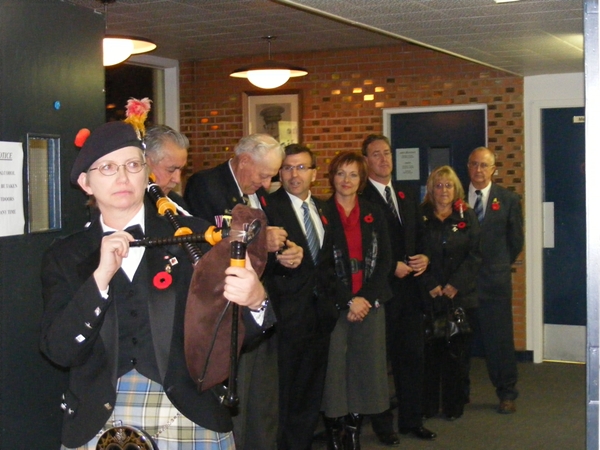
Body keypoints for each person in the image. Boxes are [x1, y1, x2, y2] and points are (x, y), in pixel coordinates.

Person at [39, 121, 272, 450]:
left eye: (133, 164)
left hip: (190, 412)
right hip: (96, 415)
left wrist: (256, 300)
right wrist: (99, 279)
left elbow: (234, 333)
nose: (123, 177)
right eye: (107, 167)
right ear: (85, 182)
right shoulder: (66, 255)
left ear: (146, 171)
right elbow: (59, 351)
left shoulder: (192, 236)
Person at [183, 133, 302, 450]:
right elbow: (207, 246)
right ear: (245, 160)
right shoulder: (205, 186)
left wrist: (285, 254)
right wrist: (264, 240)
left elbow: (261, 253)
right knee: (237, 401)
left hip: (259, 308)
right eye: (264, 175)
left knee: (261, 401)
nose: (266, 184)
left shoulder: (257, 194)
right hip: (225, 313)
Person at [262, 144, 340, 450]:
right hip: (286, 316)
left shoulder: (324, 209)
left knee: (311, 391)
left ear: (314, 173)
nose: (294, 175)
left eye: (301, 168)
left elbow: (329, 261)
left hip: (320, 316)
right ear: (280, 172)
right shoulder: (268, 206)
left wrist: (332, 301)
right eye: (288, 168)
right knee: (284, 392)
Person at [361, 134, 436, 445]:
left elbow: (420, 235)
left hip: (411, 292)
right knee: (380, 362)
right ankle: (383, 426)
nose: (384, 159)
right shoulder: (362, 196)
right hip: (381, 292)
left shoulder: (404, 194)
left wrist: (425, 257)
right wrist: (390, 265)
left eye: (387, 153)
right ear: (366, 161)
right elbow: (364, 246)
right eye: (376, 155)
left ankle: (411, 420)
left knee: (412, 358)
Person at [321, 151, 392, 450]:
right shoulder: (320, 211)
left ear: (362, 179)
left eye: (353, 174)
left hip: (370, 304)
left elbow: (386, 260)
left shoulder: (375, 211)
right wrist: (348, 300)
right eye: (340, 173)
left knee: (366, 369)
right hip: (335, 304)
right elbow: (320, 265)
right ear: (332, 177)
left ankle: (353, 429)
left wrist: (364, 298)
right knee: (335, 370)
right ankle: (335, 431)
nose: (346, 180)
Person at [418, 165, 481, 421]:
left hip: (461, 297)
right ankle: (429, 406)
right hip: (428, 295)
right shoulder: (420, 216)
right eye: (438, 185)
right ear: (430, 189)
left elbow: (476, 255)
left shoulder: (467, 216)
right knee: (429, 356)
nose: (443, 190)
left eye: (448, 185)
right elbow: (412, 252)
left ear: (456, 190)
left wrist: (456, 283)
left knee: (457, 356)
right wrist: (430, 283)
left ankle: (454, 406)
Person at [466, 146, 524, 414]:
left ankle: (506, 392)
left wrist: (498, 264)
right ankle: (457, 394)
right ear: (468, 167)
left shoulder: (509, 200)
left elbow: (515, 242)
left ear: (494, 170)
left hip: (494, 283)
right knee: (457, 341)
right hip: (461, 283)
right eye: (474, 164)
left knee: (499, 341)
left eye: (484, 165)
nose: (479, 170)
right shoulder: (454, 198)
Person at [144, 124, 189, 210]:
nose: (177, 180)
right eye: (171, 170)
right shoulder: (130, 208)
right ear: (145, 164)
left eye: (181, 170)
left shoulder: (177, 204)